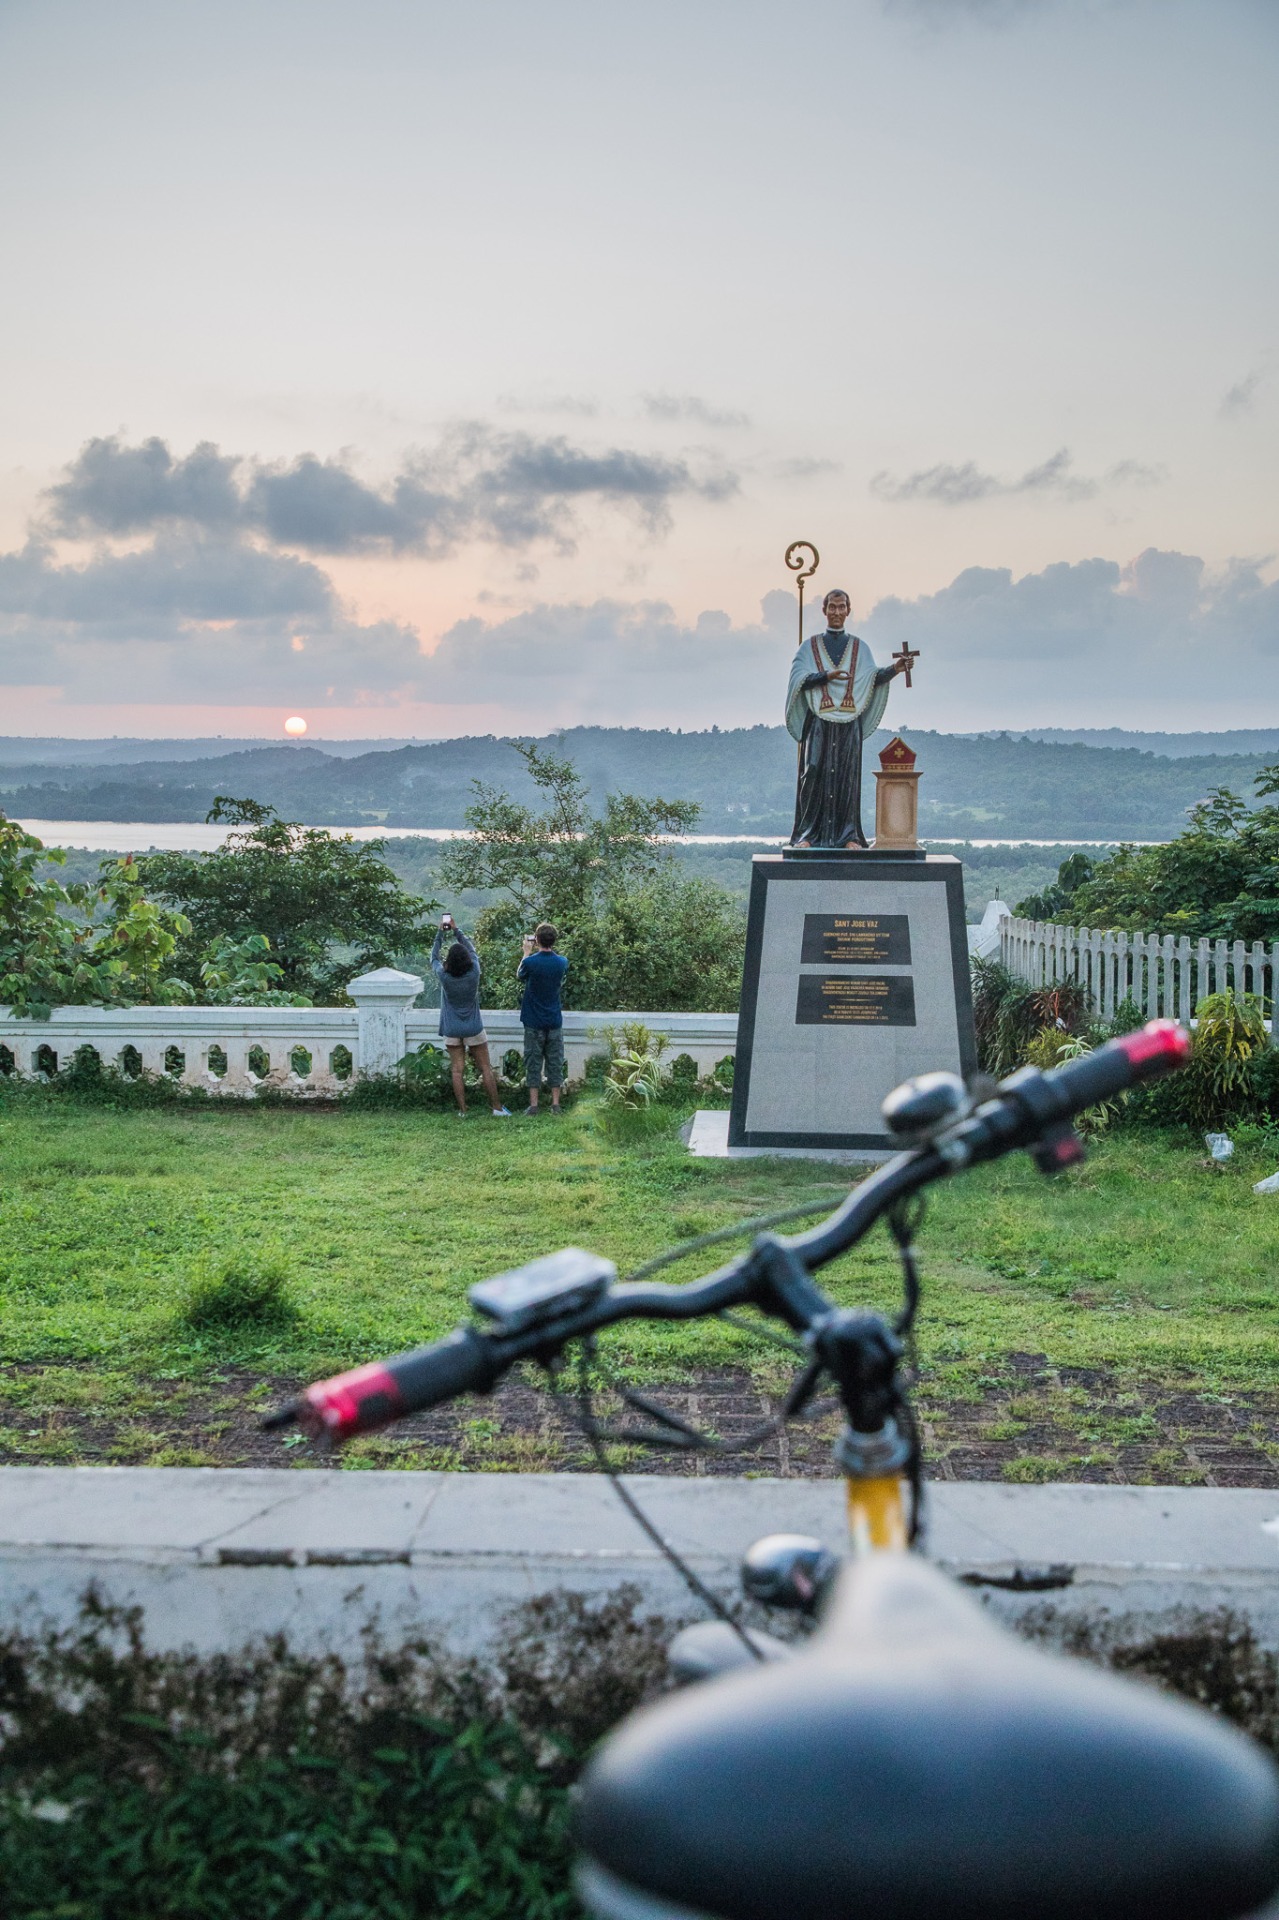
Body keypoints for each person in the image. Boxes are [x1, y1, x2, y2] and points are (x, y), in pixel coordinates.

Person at [786, 587, 911, 849]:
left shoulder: (858, 647)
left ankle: (848, 836)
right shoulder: (809, 646)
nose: (837, 612)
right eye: (832, 607)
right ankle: (807, 834)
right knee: (813, 771)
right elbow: (798, 678)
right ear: (824, 610)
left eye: (842, 607)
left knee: (847, 775)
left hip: (848, 722)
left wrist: (895, 670)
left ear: (848, 611)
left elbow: (871, 678)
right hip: (818, 720)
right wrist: (825, 677)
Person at [429, 915, 510, 1118]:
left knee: (457, 1070)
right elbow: (472, 950)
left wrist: (441, 933)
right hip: (473, 1026)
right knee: (485, 1068)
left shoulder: (444, 976)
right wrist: (457, 931)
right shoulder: (474, 972)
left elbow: (434, 958)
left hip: (452, 1028)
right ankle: (497, 1108)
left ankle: (463, 1110)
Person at [518, 921, 568, 1115]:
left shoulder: (530, 962)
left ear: (536, 939)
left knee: (533, 1062)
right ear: (554, 940)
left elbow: (520, 974)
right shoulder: (562, 962)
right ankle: (555, 1104)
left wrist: (526, 952)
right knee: (555, 1061)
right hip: (554, 1019)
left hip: (533, 1020)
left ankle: (534, 1105)